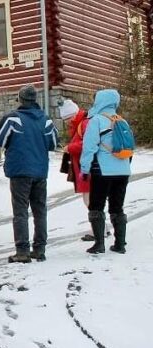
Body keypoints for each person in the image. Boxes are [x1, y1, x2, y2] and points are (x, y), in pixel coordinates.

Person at [0, 85, 58, 263]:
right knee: (40, 210)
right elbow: (53, 142)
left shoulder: (13, 119)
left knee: (20, 210)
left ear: (20, 99)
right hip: (40, 170)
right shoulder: (46, 120)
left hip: (19, 170)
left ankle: (22, 250)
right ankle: (39, 248)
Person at [80, 89, 132, 254]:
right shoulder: (122, 121)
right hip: (123, 171)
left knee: (96, 206)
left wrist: (85, 170)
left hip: (102, 170)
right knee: (117, 207)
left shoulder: (96, 121)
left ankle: (99, 244)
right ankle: (120, 244)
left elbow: (88, 148)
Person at [59, 99, 96, 242]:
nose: (67, 122)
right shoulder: (79, 123)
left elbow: (88, 143)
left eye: (68, 118)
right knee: (89, 200)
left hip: (86, 168)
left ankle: (97, 230)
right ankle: (100, 228)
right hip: (82, 166)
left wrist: (70, 148)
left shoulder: (84, 123)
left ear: (74, 114)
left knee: (90, 200)